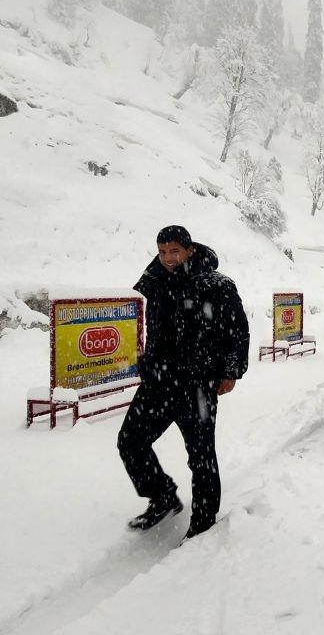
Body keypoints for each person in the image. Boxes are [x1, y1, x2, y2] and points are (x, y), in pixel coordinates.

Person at [118, 225, 250, 540]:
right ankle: (162, 496)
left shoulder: (217, 285)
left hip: (198, 385)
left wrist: (231, 370)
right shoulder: (154, 283)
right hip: (158, 382)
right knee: (130, 441)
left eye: (174, 251)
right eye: (162, 251)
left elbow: (238, 331)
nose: (167, 258)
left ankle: (203, 523)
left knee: (201, 455)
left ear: (190, 250)